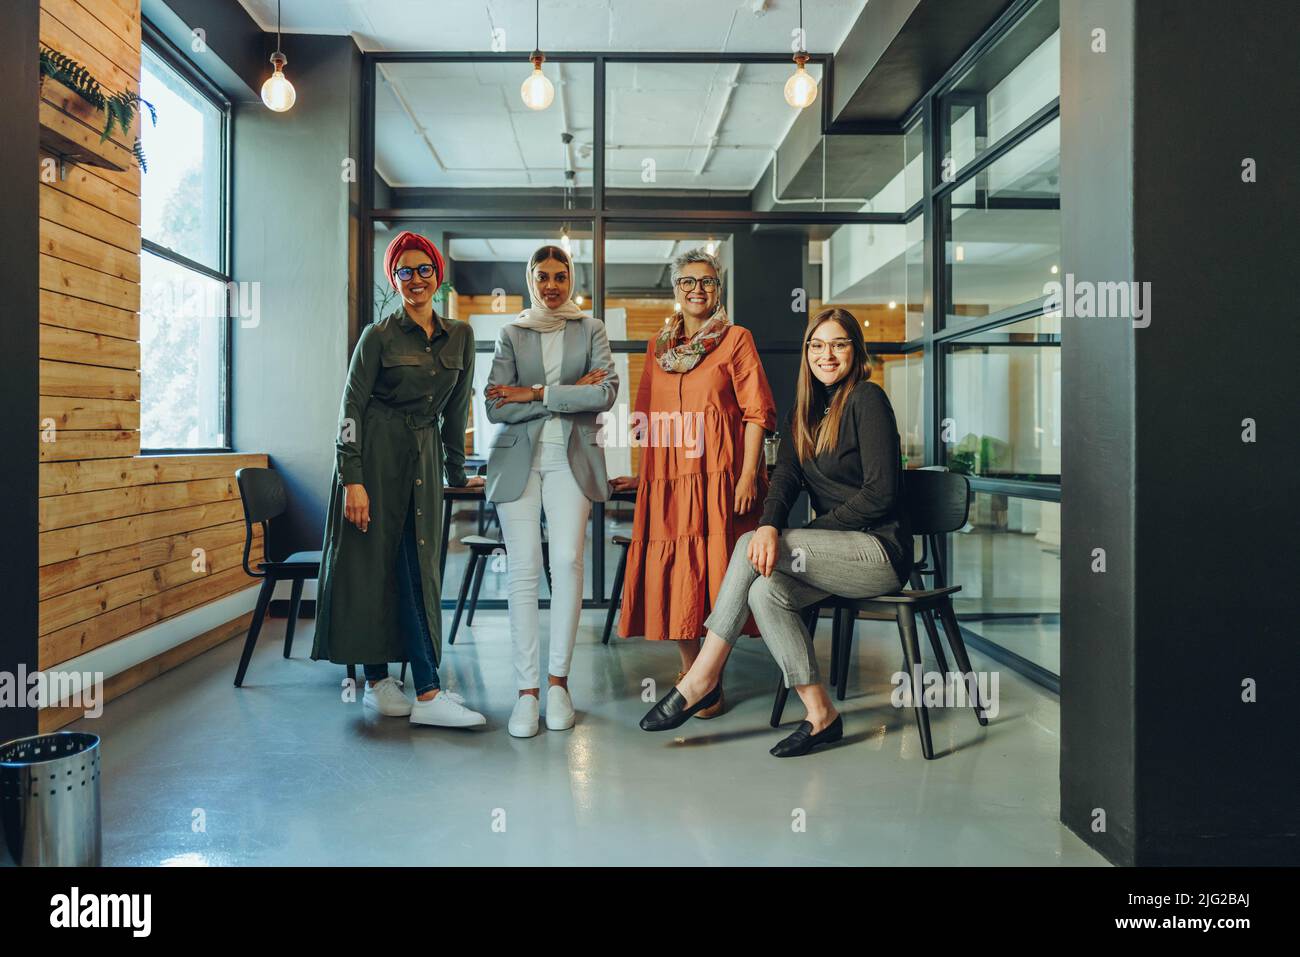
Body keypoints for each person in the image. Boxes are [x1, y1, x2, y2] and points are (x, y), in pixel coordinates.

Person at [639, 307, 912, 757]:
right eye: (818, 345)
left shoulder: (867, 398)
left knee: (751, 544)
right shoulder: (804, 411)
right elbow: (784, 480)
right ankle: (821, 714)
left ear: (855, 352)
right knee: (765, 592)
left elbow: (881, 494)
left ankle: (702, 678)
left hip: (878, 552)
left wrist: (794, 535)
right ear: (807, 353)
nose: (827, 354)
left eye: (839, 344)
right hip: (833, 554)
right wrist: (772, 525)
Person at [312, 230, 487, 728]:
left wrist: (457, 472)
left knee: (418, 566)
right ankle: (380, 681)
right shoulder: (378, 336)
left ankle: (428, 691)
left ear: (438, 275)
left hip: (424, 460)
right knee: (373, 566)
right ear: (394, 279)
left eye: (423, 269)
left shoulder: (461, 336)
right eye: (404, 272)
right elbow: (350, 409)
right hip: (375, 458)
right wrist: (352, 478)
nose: (415, 280)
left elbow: (456, 411)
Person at [612, 248, 776, 719]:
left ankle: (712, 672)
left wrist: (749, 474)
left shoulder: (736, 339)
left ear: (718, 289)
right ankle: (691, 672)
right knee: (678, 574)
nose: (697, 289)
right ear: (675, 288)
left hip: (721, 478)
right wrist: (645, 477)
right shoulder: (656, 347)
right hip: (668, 483)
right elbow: (646, 420)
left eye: (707, 281)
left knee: (719, 572)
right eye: (688, 281)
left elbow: (757, 413)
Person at [484, 245, 618, 738]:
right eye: (543, 277)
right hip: (520, 461)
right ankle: (526, 693)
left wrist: (535, 393)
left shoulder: (591, 328)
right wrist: (566, 395)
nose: (552, 285)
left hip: (572, 460)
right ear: (530, 279)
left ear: (571, 280)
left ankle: (558, 683)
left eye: (561, 276)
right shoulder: (512, 332)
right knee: (523, 571)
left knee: (566, 563)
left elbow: (604, 394)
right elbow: (496, 406)